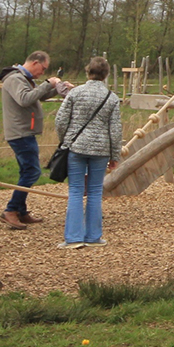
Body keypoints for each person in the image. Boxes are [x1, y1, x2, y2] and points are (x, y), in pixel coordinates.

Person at [54, 56, 122, 249]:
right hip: (101, 151)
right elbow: (115, 130)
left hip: (76, 147)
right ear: (106, 74)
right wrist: (115, 155)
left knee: (75, 190)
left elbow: (60, 121)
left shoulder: (75, 93)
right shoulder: (112, 98)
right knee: (94, 191)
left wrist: (65, 140)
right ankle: (94, 237)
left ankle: (74, 238)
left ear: (88, 72)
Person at [0, 50, 62, 230]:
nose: (42, 73)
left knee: (26, 171)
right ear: (35, 63)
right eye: (43, 69)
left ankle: (21, 211)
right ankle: (10, 211)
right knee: (32, 172)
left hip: (24, 132)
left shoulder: (23, 79)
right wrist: (48, 83)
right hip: (20, 133)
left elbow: (38, 96)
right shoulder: (15, 79)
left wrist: (55, 88)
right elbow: (25, 99)